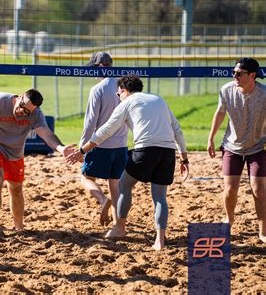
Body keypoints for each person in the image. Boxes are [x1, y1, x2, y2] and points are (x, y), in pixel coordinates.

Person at [67, 75, 189, 250]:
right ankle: (159, 241)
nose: (118, 97)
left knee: (124, 185)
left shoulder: (126, 102)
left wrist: (82, 151)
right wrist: (184, 158)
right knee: (160, 197)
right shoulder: (158, 99)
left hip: (145, 150)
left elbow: (105, 131)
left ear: (123, 90)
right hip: (168, 152)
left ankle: (120, 228)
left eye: (118, 94)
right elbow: (177, 129)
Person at [0, 89, 75, 231]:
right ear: (20, 97)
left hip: (15, 150)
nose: (22, 111)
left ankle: (19, 227)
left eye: (27, 111)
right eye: (21, 106)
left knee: (16, 188)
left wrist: (61, 148)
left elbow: (46, 134)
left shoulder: (36, 115)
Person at [207, 57, 266, 243]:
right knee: (231, 189)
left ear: (252, 76)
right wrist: (211, 138)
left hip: (258, 146)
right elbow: (220, 113)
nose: (235, 76)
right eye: (233, 72)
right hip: (232, 146)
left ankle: (263, 231)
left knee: (259, 190)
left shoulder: (264, 94)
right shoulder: (226, 90)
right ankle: (229, 219)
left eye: (239, 73)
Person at [80, 52, 128, 226]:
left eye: (93, 69)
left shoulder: (98, 89)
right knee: (115, 185)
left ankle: (102, 200)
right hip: (121, 145)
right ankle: (118, 224)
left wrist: (82, 148)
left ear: (99, 66)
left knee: (85, 178)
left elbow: (90, 122)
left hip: (100, 144)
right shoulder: (123, 87)